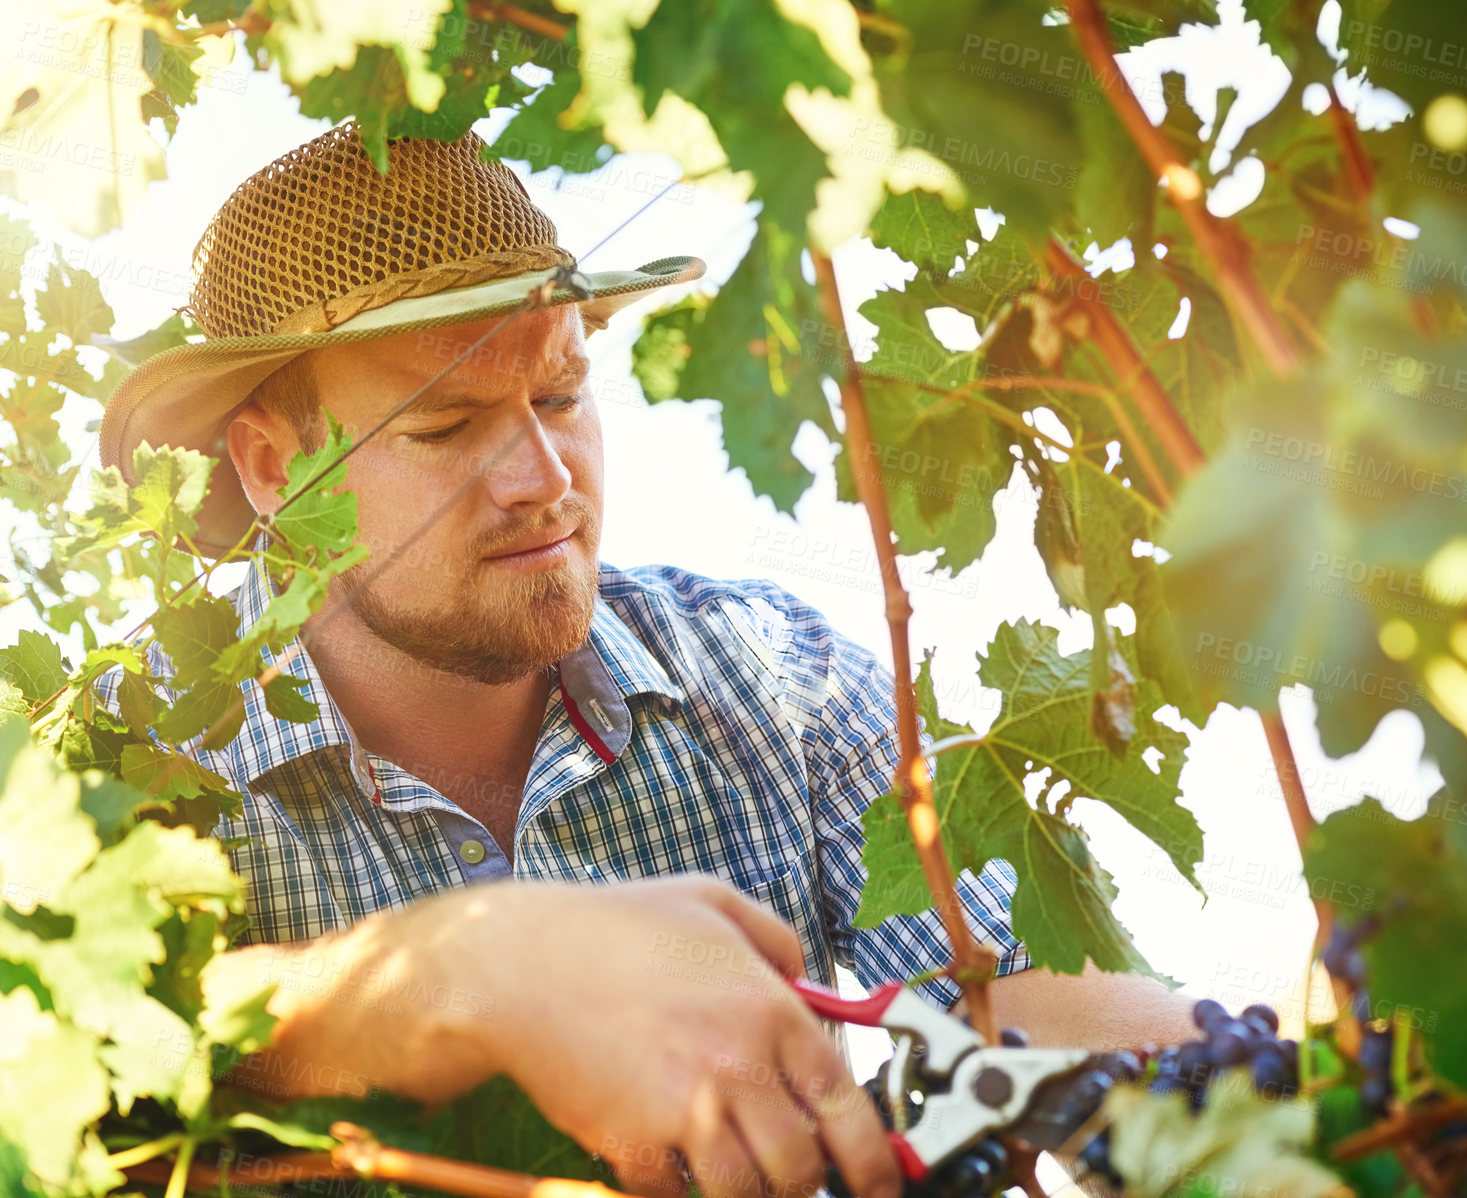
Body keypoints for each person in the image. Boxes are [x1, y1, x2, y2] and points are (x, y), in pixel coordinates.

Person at [99, 126, 1196, 1198]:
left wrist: (1225, 1107)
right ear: (271, 463)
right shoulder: (118, 761)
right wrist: (474, 967)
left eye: (563, 396)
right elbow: (67, 1030)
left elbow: (1031, 986)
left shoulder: (775, 674)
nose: (542, 474)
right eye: (444, 425)